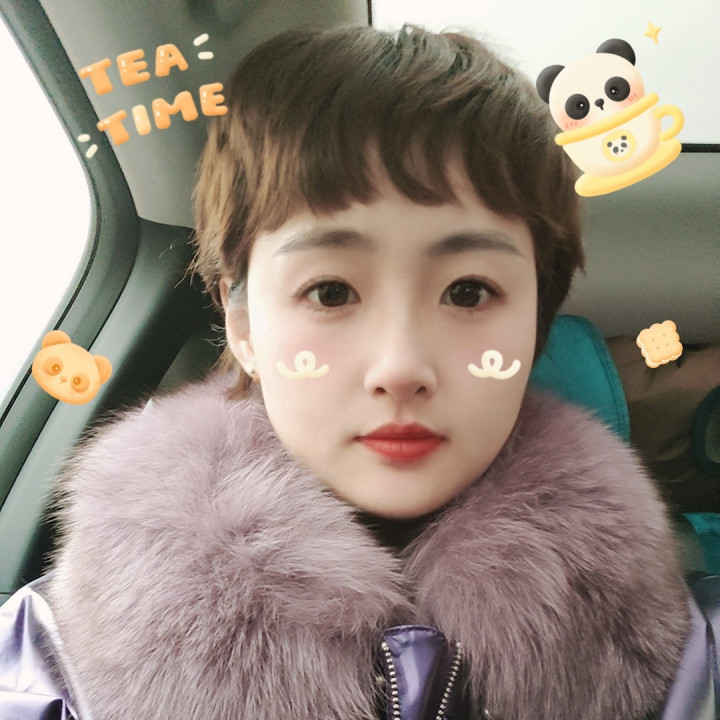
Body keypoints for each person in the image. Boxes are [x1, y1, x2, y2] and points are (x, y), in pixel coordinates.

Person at [0, 24, 712, 720]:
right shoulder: (49, 664)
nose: (400, 367)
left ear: (535, 325)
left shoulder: (686, 656)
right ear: (242, 325)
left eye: (469, 292)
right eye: (331, 291)